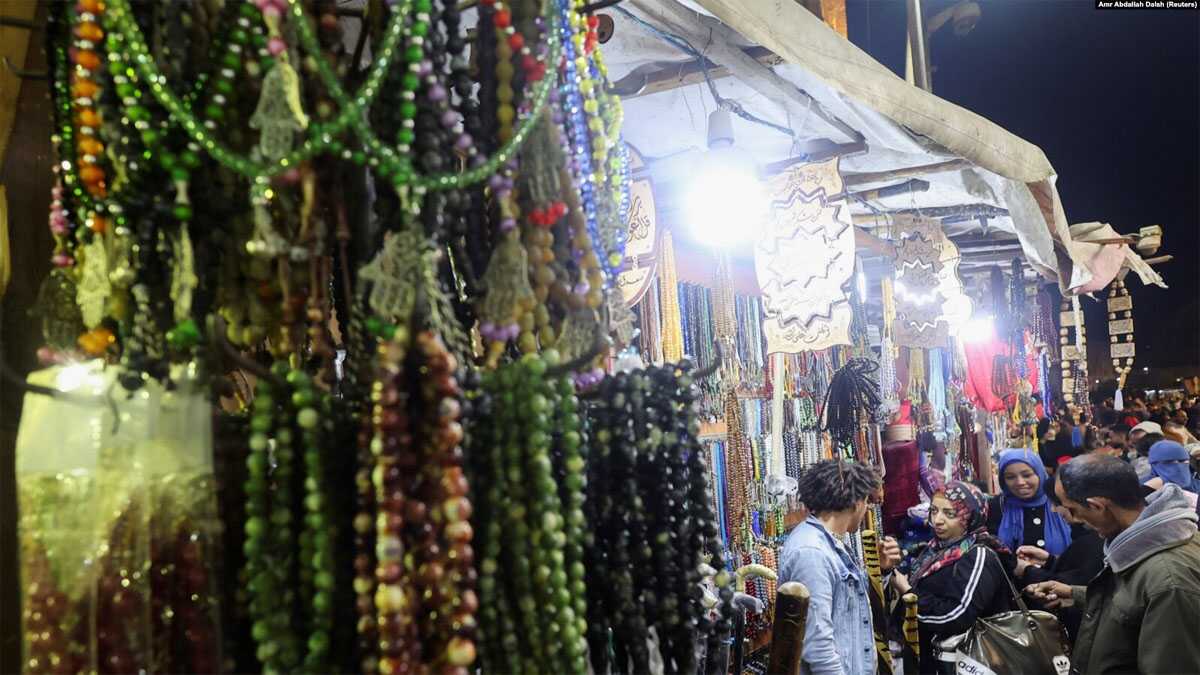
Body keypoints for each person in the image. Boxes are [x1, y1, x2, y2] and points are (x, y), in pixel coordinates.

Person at [1026, 455, 1200, 674]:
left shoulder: (1170, 580)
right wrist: (1076, 594)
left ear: (1097, 505)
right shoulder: (1143, 545)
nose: (1075, 519)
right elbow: (1135, 604)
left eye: (1072, 509)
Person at [779, 460, 900, 675]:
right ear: (856, 503)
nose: (866, 510)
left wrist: (880, 571)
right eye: (866, 502)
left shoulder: (829, 543)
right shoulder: (812, 553)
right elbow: (818, 646)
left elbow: (851, 607)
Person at [892, 482, 1014, 675]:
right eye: (933, 511)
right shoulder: (936, 549)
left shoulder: (978, 554)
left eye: (950, 514)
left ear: (971, 517)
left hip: (965, 663)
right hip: (935, 661)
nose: (937, 520)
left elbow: (956, 616)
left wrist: (909, 594)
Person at [1011, 472, 1104, 640]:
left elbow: (1078, 583)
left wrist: (1027, 570)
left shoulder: (1098, 539)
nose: (1054, 509)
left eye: (1059, 503)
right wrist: (1050, 561)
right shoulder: (1090, 536)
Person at [986, 449, 1073, 556]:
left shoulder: (1059, 502)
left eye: (1027, 475)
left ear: (1039, 473)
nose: (1020, 482)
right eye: (1010, 477)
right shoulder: (997, 507)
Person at [1144, 440, 1200, 508]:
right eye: (1168, 462)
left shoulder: (1197, 485)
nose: (1178, 466)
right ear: (1153, 464)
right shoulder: (1144, 490)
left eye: (1182, 461)